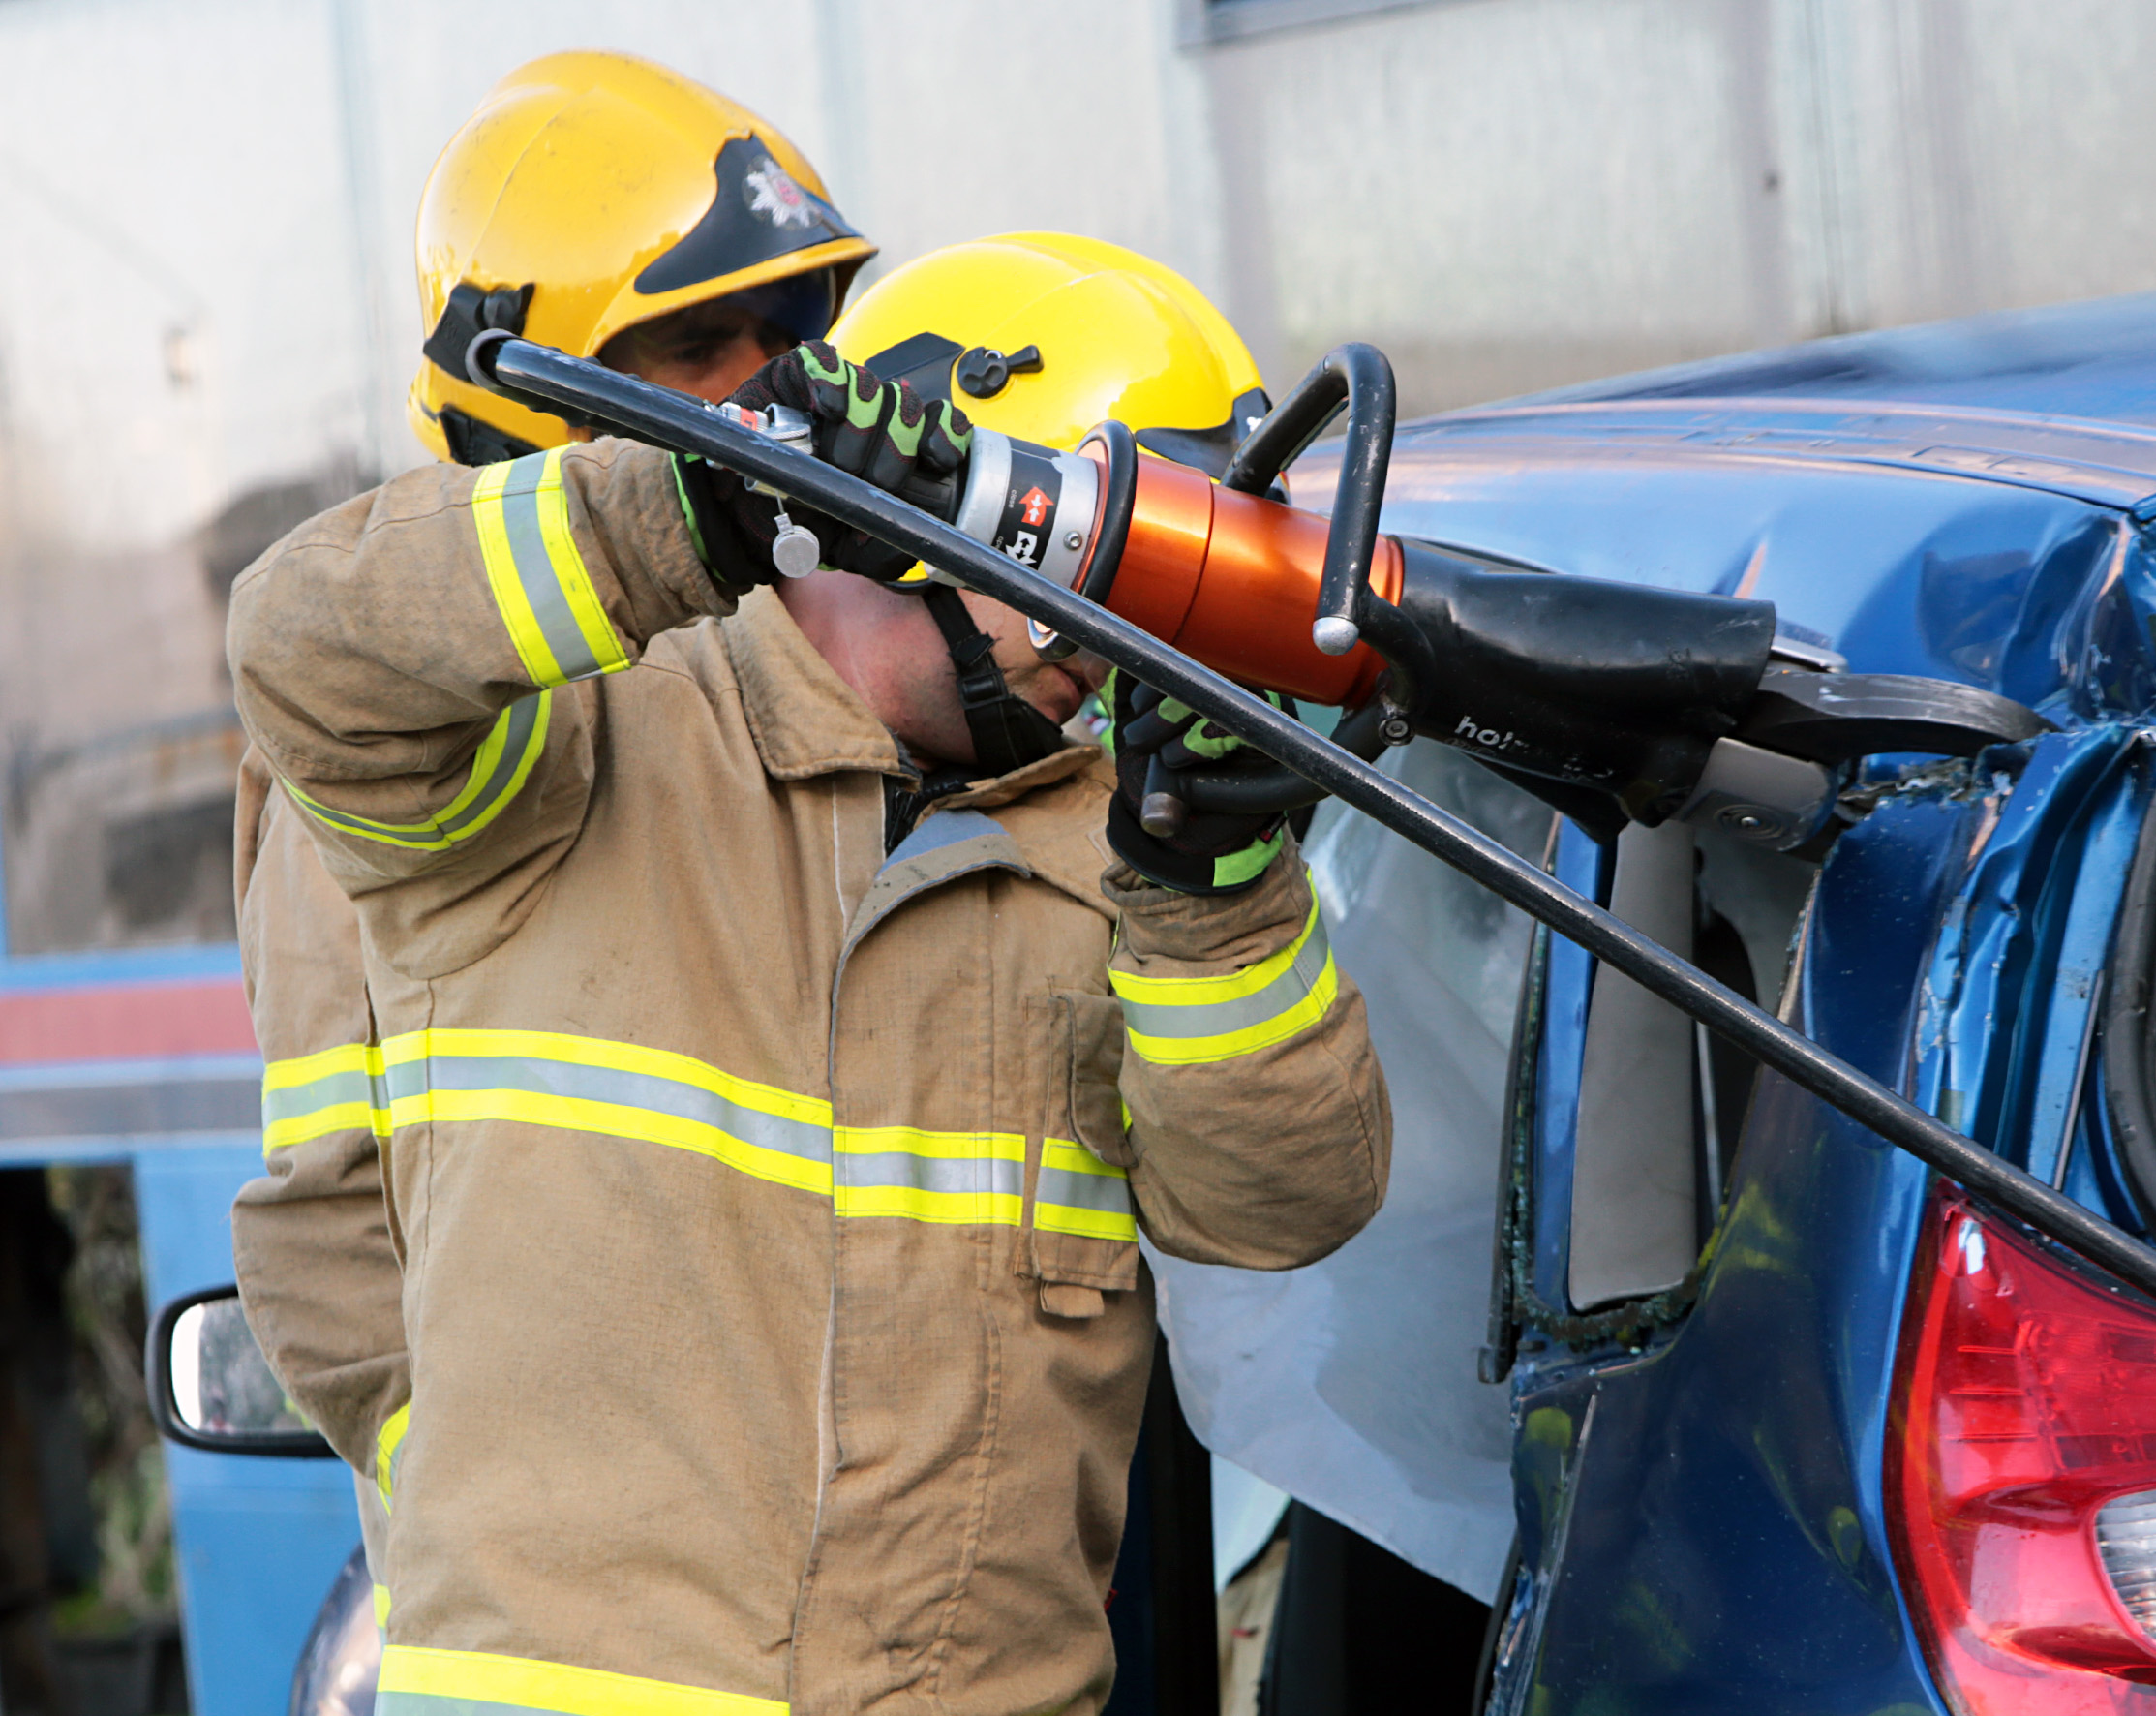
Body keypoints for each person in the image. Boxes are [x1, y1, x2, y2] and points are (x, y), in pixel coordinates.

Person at [230, 150, 1390, 1716]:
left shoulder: (1127, 859)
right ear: (891, 523)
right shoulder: (578, 752)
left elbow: (1279, 1205)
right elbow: (307, 651)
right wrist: (690, 501)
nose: (1112, 650)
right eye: (1087, 574)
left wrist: (1220, 894)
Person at [228, 49, 879, 1631]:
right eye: (696, 343)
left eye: (787, 338)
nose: (760, 385)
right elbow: (325, 1242)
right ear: (520, 373)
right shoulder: (390, 714)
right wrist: (516, 1490)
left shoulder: (752, 669)